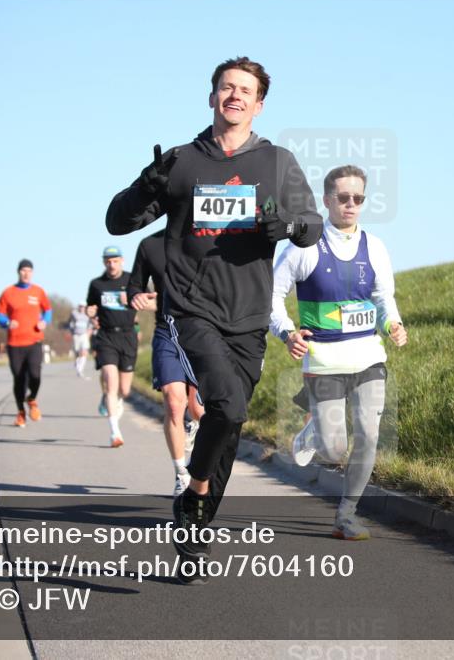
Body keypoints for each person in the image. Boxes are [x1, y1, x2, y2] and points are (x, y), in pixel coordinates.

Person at [106, 56, 321, 582]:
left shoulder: (277, 162)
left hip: (248, 313)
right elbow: (118, 219)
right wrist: (144, 186)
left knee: (230, 419)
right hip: (191, 307)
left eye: (245, 90)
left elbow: (312, 226)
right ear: (212, 98)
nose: (235, 96)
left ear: (259, 104)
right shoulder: (181, 162)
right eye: (227, 87)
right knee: (222, 402)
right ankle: (196, 492)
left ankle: (194, 522)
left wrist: (286, 224)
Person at [270, 165, 407, 540]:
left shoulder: (374, 247)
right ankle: (315, 426)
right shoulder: (304, 246)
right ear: (327, 200)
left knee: (369, 435)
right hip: (325, 362)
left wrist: (392, 324)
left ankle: (346, 515)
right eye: (343, 198)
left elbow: (383, 298)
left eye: (358, 198)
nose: (350, 205)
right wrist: (287, 333)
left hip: (369, 359)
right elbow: (272, 296)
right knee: (333, 451)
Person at [128, 230, 205, 497]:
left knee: (198, 409)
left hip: (201, 332)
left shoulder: (205, 237)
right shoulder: (150, 245)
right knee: (174, 404)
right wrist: (137, 297)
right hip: (166, 332)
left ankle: (193, 428)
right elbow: (134, 288)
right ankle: (181, 473)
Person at [86, 246, 139, 447]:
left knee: (124, 391)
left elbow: (150, 301)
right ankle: (114, 432)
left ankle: (116, 399)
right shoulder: (97, 284)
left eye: (115, 260)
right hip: (107, 336)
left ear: (122, 261)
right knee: (110, 381)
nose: (112, 264)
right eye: (108, 261)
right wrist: (91, 313)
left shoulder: (132, 280)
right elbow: (91, 308)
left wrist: (132, 300)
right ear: (103, 263)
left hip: (128, 336)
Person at [0, 259, 52, 427]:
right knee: (19, 379)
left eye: (29, 271)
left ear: (32, 273)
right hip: (15, 343)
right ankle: (20, 412)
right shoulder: (8, 293)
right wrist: (6, 322)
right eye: (23, 271)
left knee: (35, 375)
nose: (26, 274)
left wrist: (44, 321)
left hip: (34, 340)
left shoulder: (38, 291)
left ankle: (32, 398)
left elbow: (48, 310)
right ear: (18, 272)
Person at [69, 303, 93, 378]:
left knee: (84, 351)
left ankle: (80, 369)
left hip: (84, 335)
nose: (82, 308)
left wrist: (89, 332)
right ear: (79, 307)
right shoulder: (74, 314)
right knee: (77, 351)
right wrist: (72, 332)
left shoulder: (87, 315)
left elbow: (90, 325)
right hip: (76, 335)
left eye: (83, 307)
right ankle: (77, 362)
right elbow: (70, 324)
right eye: (81, 306)